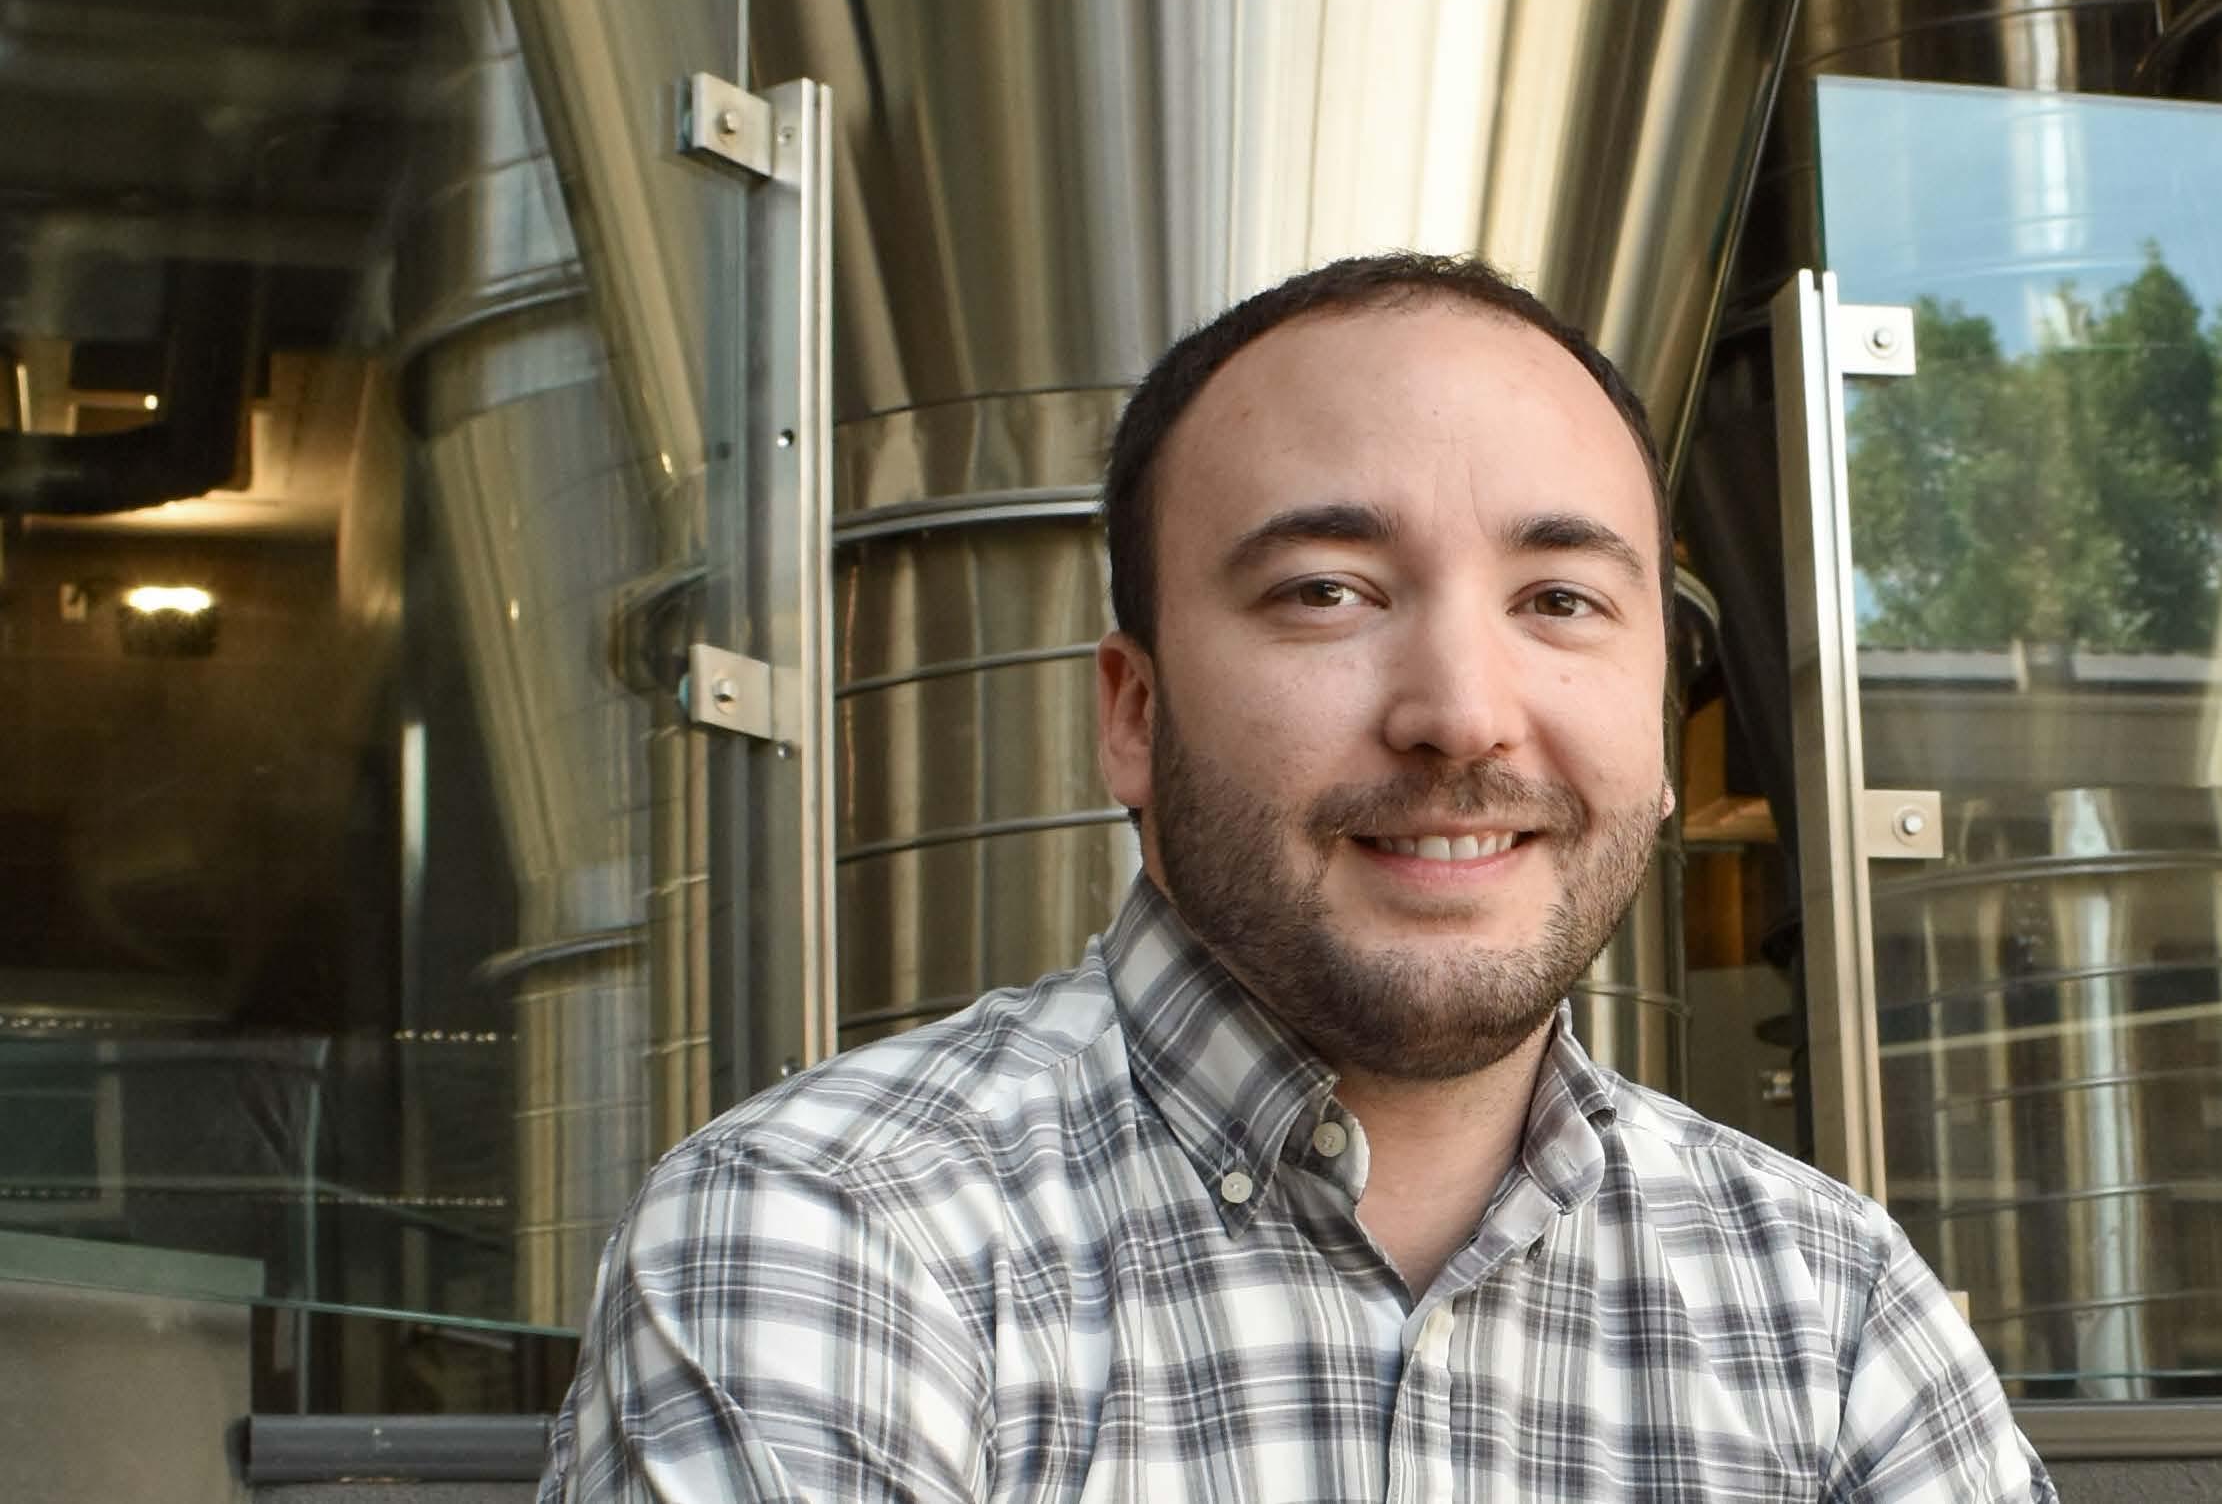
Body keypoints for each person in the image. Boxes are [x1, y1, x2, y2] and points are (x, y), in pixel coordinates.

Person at [541, 253, 2055, 1502]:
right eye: (1327, 592)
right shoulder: (827, 1234)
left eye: (1559, 599)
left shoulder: (1827, 1308)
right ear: (1133, 712)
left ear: (1659, 720)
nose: (1461, 711)